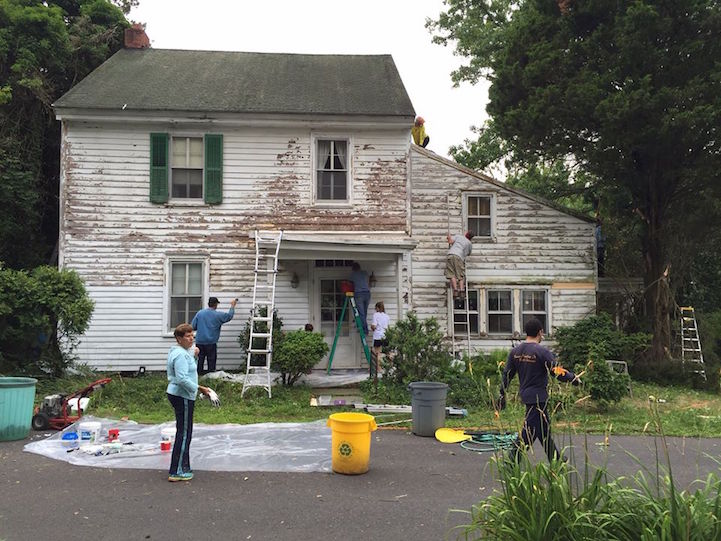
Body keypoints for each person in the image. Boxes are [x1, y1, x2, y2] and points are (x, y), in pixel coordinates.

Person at [497, 318, 581, 464]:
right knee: (528, 432)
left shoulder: (515, 352)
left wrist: (502, 393)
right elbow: (556, 371)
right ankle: (512, 460)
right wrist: (573, 378)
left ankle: (556, 458)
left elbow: (507, 374)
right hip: (538, 398)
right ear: (540, 332)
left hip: (526, 395)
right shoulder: (542, 351)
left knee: (543, 430)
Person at [166, 323, 214, 482]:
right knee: (184, 433)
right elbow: (181, 379)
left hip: (181, 395)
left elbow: (188, 362)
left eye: (192, 336)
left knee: (185, 432)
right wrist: (200, 388)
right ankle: (177, 471)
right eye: (187, 336)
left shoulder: (182, 352)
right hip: (182, 395)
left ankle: (183, 466)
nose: (191, 338)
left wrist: (194, 353)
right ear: (179, 339)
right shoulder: (180, 355)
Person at [191, 297, 237, 374]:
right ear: (216, 304)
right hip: (211, 342)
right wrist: (232, 306)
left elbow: (193, 326)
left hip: (200, 342)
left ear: (208, 304)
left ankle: (198, 375)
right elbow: (229, 316)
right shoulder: (218, 315)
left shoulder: (200, 313)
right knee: (211, 361)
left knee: (199, 360)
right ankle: (211, 375)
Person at [445, 231, 474, 297]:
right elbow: (468, 253)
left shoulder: (458, 237)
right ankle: (461, 290)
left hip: (450, 255)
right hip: (459, 257)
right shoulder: (469, 244)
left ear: (466, 234)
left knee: (451, 273)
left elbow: (450, 241)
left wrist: (448, 237)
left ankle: (455, 290)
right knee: (460, 274)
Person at [350, 262, 371, 335]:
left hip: (359, 294)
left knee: (361, 313)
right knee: (364, 312)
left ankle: (364, 330)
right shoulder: (365, 273)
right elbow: (368, 281)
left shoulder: (353, 274)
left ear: (353, 268)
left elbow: (350, 283)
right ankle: (364, 328)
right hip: (367, 293)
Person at [370, 301, 390, 379]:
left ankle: (379, 369)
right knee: (387, 352)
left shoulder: (376, 315)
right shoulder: (387, 316)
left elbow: (374, 326)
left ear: (378, 308)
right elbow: (388, 326)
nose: (375, 309)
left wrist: (372, 327)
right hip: (385, 335)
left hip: (378, 336)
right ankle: (390, 367)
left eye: (376, 308)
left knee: (377, 353)